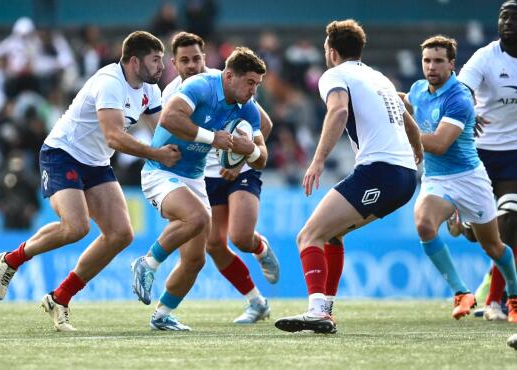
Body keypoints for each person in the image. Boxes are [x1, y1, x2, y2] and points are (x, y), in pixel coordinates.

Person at [0, 31, 181, 332]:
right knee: (75, 227)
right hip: (62, 153)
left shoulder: (149, 89)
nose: (161, 66)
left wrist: (204, 147)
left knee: (120, 234)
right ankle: (11, 260)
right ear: (134, 61)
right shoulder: (110, 82)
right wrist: (157, 153)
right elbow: (114, 137)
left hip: (95, 162)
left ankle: (60, 297)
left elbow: (164, 132)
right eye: (155, 60)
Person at [274, 19, 423, 334]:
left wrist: (317, 161)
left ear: (331, 50)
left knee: (308, 236)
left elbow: (338, 111)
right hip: (404, 176)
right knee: (331, 234)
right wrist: (416, 147)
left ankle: (316, 311)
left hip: (380, 172)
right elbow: (405, 113)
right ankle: (325, 309)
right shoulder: (377, 76)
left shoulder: (335, 74)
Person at [131, 46, 268, 331]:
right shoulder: (200, 86)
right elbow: (169, 118)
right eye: (250, 83)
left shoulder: (248, 108)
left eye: (257, 84)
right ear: (229, 76)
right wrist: (212, 138)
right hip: (161, 170)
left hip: (194, 178)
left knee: (195, 259)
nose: (254, 90)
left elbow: (262, 157)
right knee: (197, 218)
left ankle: (162, 315)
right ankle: (147, 264)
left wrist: (250, 151)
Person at [163, 32, 279, 324]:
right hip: (206, 176)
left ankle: (260, 247)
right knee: (214, 244)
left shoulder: (225, 81)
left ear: (206, 57)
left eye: (197, 58)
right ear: (174, 63)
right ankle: (257, 302)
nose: (192, 65)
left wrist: (240, 160)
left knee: (240, 237)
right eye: (185, 60)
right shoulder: (171, 95)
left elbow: (264, 123)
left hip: (239, 169)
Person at [401, 35, 517, 322]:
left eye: (439, 61)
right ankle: (461, 292)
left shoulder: (459, 98)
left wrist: (406, 135)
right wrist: (390, 102)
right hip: (437, 179)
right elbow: (405, 104)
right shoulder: (417, 90)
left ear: (452, 64)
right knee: (424, 225)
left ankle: (513, 294)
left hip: (469, 179)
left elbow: (440, 144)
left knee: (495, 246)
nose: (432, 67)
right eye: (427, 61)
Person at [446, 0, 517, 321]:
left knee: (511, 226)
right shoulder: (487, 57)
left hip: (514, 156)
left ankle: (495, 302)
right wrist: (467, 110)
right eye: (503, 17)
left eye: (513, 18)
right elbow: (460, 88)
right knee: (484, 233)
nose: (507, 22)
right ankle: (467, 224)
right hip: (482, 152)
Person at [0, 153, 41, 230]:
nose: (17, 168)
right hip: (9, 219)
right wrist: (4, 208)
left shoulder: (29, 183)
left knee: (26, 241)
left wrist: (30, 210)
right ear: (10, 165)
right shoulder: (3, 183)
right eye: (14, 165)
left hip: (25, 221)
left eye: (19, 164)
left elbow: (36, 204)